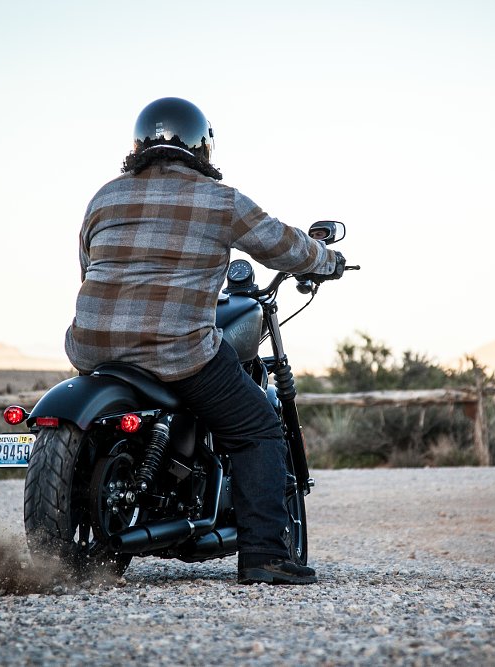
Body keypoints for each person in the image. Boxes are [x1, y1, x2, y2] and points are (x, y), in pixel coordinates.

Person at [64, 97, 343, 585]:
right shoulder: (221, 200)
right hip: (175, 348)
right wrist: (326, 259)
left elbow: (88, 266)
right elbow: (283, 245)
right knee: (257, 427)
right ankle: (265, 557)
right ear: (202, 147)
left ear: (138, 144)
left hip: (94, 345)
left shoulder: (103, 197)